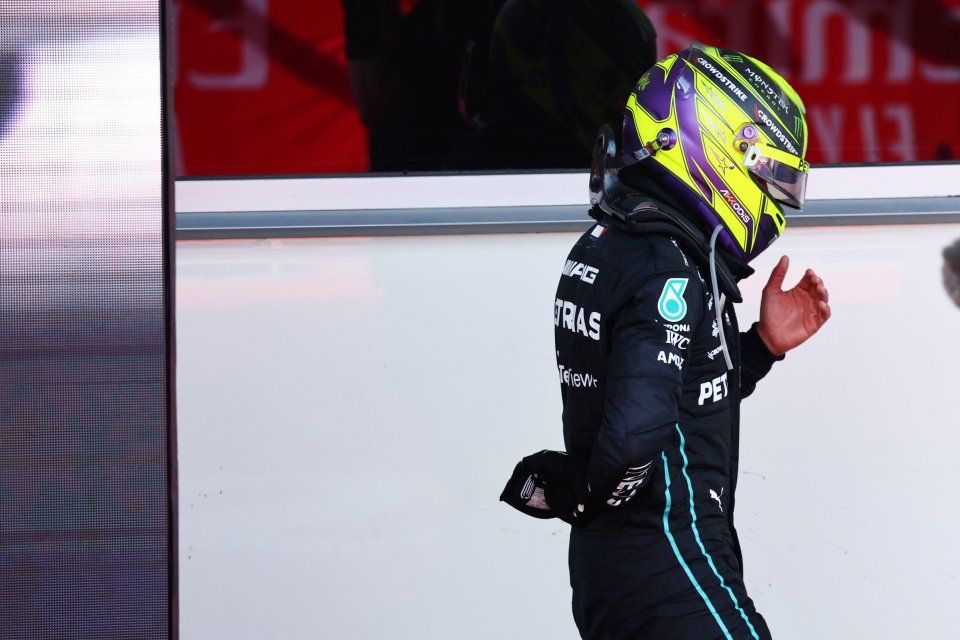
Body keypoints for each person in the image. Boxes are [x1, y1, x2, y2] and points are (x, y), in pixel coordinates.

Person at [501, 44, 831, 639]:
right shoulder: (667, 271)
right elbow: (632, 439)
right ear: (720, 148)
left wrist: (760, 346)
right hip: (671, 570)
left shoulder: (613, 243)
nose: (777, 199)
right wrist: (591, 498)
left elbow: (672, 396)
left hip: (620, 573)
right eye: (771, 175)